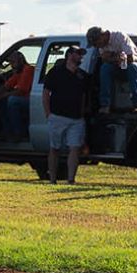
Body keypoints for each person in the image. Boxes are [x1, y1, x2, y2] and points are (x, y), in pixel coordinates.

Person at [43, 46, 90, 184]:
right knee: (54, 149)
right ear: (69, 55)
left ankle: (71, 179)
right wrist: (48, 114)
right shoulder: (56, 72)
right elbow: (46, 93)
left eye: (82, 54)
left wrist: (82, 114)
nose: (81, 57)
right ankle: (52, 179)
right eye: (78, 54)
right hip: (57, 116)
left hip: (76, 119)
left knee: (75, 148)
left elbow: (84, 96)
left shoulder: (82, 75)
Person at [87, 26, 137, 114]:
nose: (97, 46)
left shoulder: (119, 37)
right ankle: (105, 105)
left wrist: (112, 56)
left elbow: (130, 59)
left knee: (132, 67)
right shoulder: (102, 46)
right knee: (105, 68)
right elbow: (104, 60)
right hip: (119, 68)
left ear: (103, 35)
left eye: (96, 43)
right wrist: (116, 58)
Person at [0, 52, 34, 140]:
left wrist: (0, 96)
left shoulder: (28, 69)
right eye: (10, 62)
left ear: (21, 60)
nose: (11, 65)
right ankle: (7, 130)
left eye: (13, 62)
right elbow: (7, 85)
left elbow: (21, 91)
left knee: (12, 101)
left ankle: (18, 133)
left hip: (31, 99)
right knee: (2, 101)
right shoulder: (19, 72)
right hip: (24, 98)